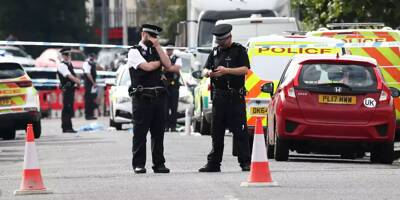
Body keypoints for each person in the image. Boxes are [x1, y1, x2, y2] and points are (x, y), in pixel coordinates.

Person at [199, 24, 251, 172]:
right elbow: (204, 68)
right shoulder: (215, 52)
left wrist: (226, 70)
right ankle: (214, 163)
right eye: (218, 42)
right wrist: (208, 72)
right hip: (219, 97)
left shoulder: (239, 50)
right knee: (216, 132)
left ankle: (245, 162)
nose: (220, 44)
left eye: (222, 41)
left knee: (240, 131)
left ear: (229, 37)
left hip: (235, 97)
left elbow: (245, 69)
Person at [127, 24, 172, 174]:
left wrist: (158, 47)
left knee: (158, 133)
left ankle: (159, 164)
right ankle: (139, 164)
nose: (154, 39)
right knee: (140, 133)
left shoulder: (156, 50)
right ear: (144, 34)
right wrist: (158, 63)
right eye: (152, 36)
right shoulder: (134, 51)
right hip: (142, 98)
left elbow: (168, 65)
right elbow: (146, 67)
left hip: (158, 98)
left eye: (156, 37)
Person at [57, 47, 81, 133]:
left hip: (70, 89)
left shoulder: (69, 64)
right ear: (63, 56)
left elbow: (72, 74)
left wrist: (77, 81)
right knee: (67, 108)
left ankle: (67, 126)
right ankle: (67, 127)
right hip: (66, 89)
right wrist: (77, 81)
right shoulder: (62, 65)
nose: (68, 56)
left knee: (69, 107)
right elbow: (69, 76)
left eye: (69, 54)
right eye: (66, 54)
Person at [163, 44, 182, 132]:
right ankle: (165, 126)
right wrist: (170, 67)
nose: (168, 51)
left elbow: (177, 68)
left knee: (174, 107)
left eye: (170, 50)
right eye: (167, 50)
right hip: (165, 85)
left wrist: (167, 68)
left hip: (174, 85)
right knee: (165, 107)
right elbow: (161, 68)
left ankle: (173, 126)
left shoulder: (176, 58)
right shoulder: (163, 57)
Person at [83, 53, 98, 120]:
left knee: (91, 99)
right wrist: (93, 82)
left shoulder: (91, 63)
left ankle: (91, 114)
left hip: (91, 84)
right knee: (88, 100)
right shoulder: (87, 63)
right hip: (89, 84)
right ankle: (88, 115)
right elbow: (88, 74)